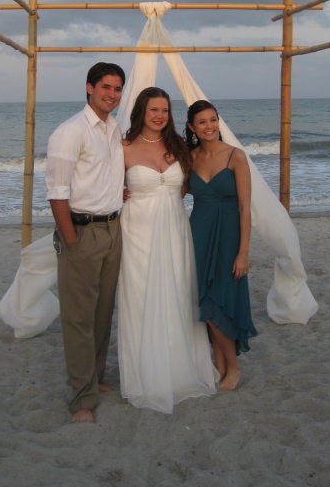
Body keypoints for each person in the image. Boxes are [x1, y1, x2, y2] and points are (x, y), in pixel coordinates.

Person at [118, 87, 217, 413]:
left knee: (177, 294)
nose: (159, 116)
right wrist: (117, 193)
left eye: (164, 110)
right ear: (141, 112)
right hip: (137, 234)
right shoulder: (123, 147)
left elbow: (195, 184)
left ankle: (180, 369)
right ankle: (146, 374)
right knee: (142, 297)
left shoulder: (178, 146)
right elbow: (104, 185)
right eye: (153, 110)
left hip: (175, 231)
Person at [46, 62, 126, 424]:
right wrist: (72, 239)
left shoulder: (112, 129)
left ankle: (94, 378)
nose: (112, 94)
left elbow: (105, 178)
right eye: (106, 87)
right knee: (79, 318)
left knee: (102, 311)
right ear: (89, 88)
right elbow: (57, 193)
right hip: (82, 231)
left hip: (113, 228)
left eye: (117, 88)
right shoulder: (70, 131)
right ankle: (81, 399)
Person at [185, 99, 257, 391]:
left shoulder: (235, 156)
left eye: (213, 120)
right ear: (192, 127)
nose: (209, 126)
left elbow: (245, 208)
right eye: (202, 122)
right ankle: (220, 361)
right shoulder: (188, 158)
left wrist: (243, 253)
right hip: (198, 235)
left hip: (228, 239)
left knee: (220, 301)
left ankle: (234, 367)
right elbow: (169, 191)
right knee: (205, 300)